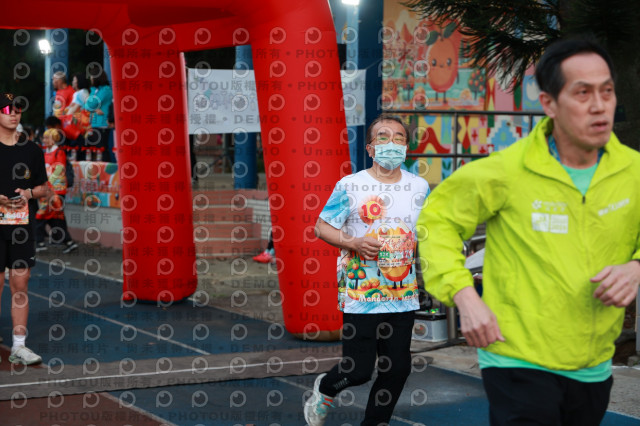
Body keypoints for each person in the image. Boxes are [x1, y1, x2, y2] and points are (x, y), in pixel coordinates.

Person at [417, 37, 640, 426]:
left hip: (592, 362)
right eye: (582, 93)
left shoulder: (633, 171)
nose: (599, 105)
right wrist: (464, 295)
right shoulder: (506, 170)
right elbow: (436, 223)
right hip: (515, 357)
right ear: (549, 103)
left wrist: (636, 266)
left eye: (606, 91)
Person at [304, 114, 430, 426]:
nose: (392, 143)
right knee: (358, 370)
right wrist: (355, 242)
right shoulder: (351, 185)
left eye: (399, 138)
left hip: (402, 292)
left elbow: (427, 233)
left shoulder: (419, 187)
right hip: (361, 292)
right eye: (383, 137)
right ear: (371, 148)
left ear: (407, 147)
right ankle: (325, 388)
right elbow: (321, 227)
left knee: (397, 368)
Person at [0, 93, 49, 365]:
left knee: (21, 283)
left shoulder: (32, 150)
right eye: (7, 109)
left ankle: (19, 346)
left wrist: (29, 193)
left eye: (17, 110)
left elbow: (45, 188)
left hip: (20, 226)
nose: (13, 114)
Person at [35, 129, 78, 254]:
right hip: (49, 190)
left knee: (41, 215)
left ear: (54, 139)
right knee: (56, 218)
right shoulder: (46, 153)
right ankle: (68, 242)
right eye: (44, 138)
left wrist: (48, 183)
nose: (44, 140)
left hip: (56, 192)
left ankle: (39, 242)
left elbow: (59, 169)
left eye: (47, 138)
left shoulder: (59, 152)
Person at [84, 69, 113, 162]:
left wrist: (92, 91)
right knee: (95, 149)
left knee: (102, 149)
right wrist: (94, 109)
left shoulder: (105, 90)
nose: (91, 79)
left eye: (92, 77)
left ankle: (107, 169)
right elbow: (86, 106)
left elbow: (92, 103)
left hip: (103, 123)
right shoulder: (96, 90)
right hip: (95, 123)